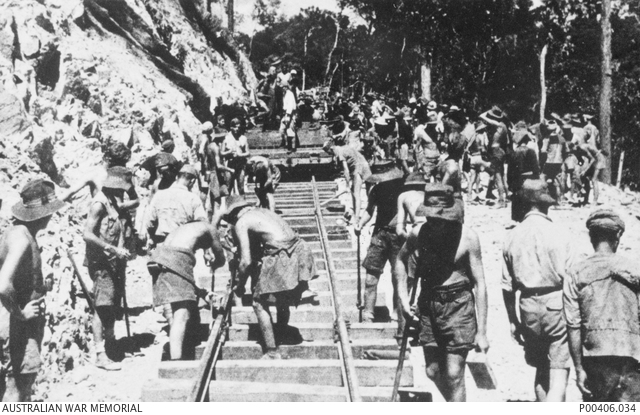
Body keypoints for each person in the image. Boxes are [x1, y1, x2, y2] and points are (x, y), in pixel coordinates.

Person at [395, 183, 488, 402]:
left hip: (459, 305)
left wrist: (482, 331)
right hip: (429, 303)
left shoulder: (468, 238)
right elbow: (400, 261)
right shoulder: (418, 233)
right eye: (430, 218)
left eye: (439, 219)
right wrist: (402, 298)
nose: (434, 224)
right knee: (433, 371)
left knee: (454, 374)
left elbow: (480, 284)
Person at [502, 179, 579, 401]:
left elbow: (507, 287)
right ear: (546, 204)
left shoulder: (512, 236)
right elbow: (573, 280)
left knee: (541, 369)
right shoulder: (561, 233)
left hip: (527, 305)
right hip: (557, 302)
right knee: (559, 374)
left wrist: (512, 320)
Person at [222, 196, 318, 359]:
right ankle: (281, 332)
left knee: (258, 302)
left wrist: (239, 286)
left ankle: (272, 351)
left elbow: (246, 261)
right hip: (300, 250)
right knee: (282, 297)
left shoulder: (242, 222)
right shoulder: (263, 212)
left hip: (282, 254)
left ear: (233, 214)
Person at [564, 210, 640, 402]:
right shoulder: (634, 270)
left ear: (591, 237)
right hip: (631, 355)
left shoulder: (576, 273)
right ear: (618, 236)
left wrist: (579, 368)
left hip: (595, 358)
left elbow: (573, 326)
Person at [0, 179, 64, 401]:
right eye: (48, 211)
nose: (51, 216)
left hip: (16, 321)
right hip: (16, 323)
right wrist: (21, 313)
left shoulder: (19, 231)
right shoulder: (21, 237)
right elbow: (3, 283)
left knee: (19, 382)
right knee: (17, 384)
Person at [147, 222, 225, 360]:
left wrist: (201, 293)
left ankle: (176, 351)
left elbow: (182, 277)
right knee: (182, 314)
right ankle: (176, 361)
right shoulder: (211, 228)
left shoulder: (184, 231)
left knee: (174, 309)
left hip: (158, 257)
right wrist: (216, 262)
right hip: (175, 259)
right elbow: (220, 257)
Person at [83, 167, 136, 371]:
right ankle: (100, 354)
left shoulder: (114, 201)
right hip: (101, 263)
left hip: (114, 261)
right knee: (102, 307)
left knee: (113, 303)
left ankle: (112, 346)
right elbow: (87, 234)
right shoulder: (99, 203)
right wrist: (112, 248)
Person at [354, 163, 405, 330]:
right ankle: (368, 315)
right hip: (379, 234)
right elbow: (370, 210)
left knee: (398, 277)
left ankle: (397, 315)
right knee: (371, 277)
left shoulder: (402, 189)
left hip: (397, 236)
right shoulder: (376, 190)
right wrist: (360, 223)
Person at [144, 164, 207, 248]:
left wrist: (152, 238)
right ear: (192, 181)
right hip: (183, 245)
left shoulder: (159, 195)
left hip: (162, 243)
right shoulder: (193, 198)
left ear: (177, 177)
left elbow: (149, 222)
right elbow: (201, 224)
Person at [323, 141, 372, 224]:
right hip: (364, 164)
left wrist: (347, 185)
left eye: (329, 152)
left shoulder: (339, 152)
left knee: (356, 194)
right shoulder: (343, 148)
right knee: (363, 193)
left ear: (331, 148)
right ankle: (357, 214)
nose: (330, 154)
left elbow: (346, 170)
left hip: (358, 167)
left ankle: (356, 219)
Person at [479, 107, 511, 209]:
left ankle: (501, 201)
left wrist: (489, 111)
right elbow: (507, 142)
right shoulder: (505, 126)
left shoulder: (497, 124)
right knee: (501, 175)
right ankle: (505, 199)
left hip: (496, 151)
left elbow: (481, 116)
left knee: (498, 177)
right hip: (501, 150)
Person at [507, 128, 539, 222]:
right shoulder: (531, 152)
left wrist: (510, 184)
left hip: (517, 181)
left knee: (517, 200)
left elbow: (510, 171)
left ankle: (517, 219)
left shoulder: (514, 153)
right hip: (529, 180)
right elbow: (536, 169)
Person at [221, 118, 250, 196]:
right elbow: (221, 153)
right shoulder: (226, 138)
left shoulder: (243, 138)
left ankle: (242, 204)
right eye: (235, 127)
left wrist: (240, 155)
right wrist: (229, 152)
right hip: (229, 164)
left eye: (239, 127)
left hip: (240, 164)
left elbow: (248, 153)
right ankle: (228, 205)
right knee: (228, 186)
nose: (237, 129)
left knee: (241, 186)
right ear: (231, 127)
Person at [395, 172, 428, 239]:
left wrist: (409, 241)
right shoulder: (430, 195)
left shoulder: (403, 196)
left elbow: (399, 231)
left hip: (418, 230)